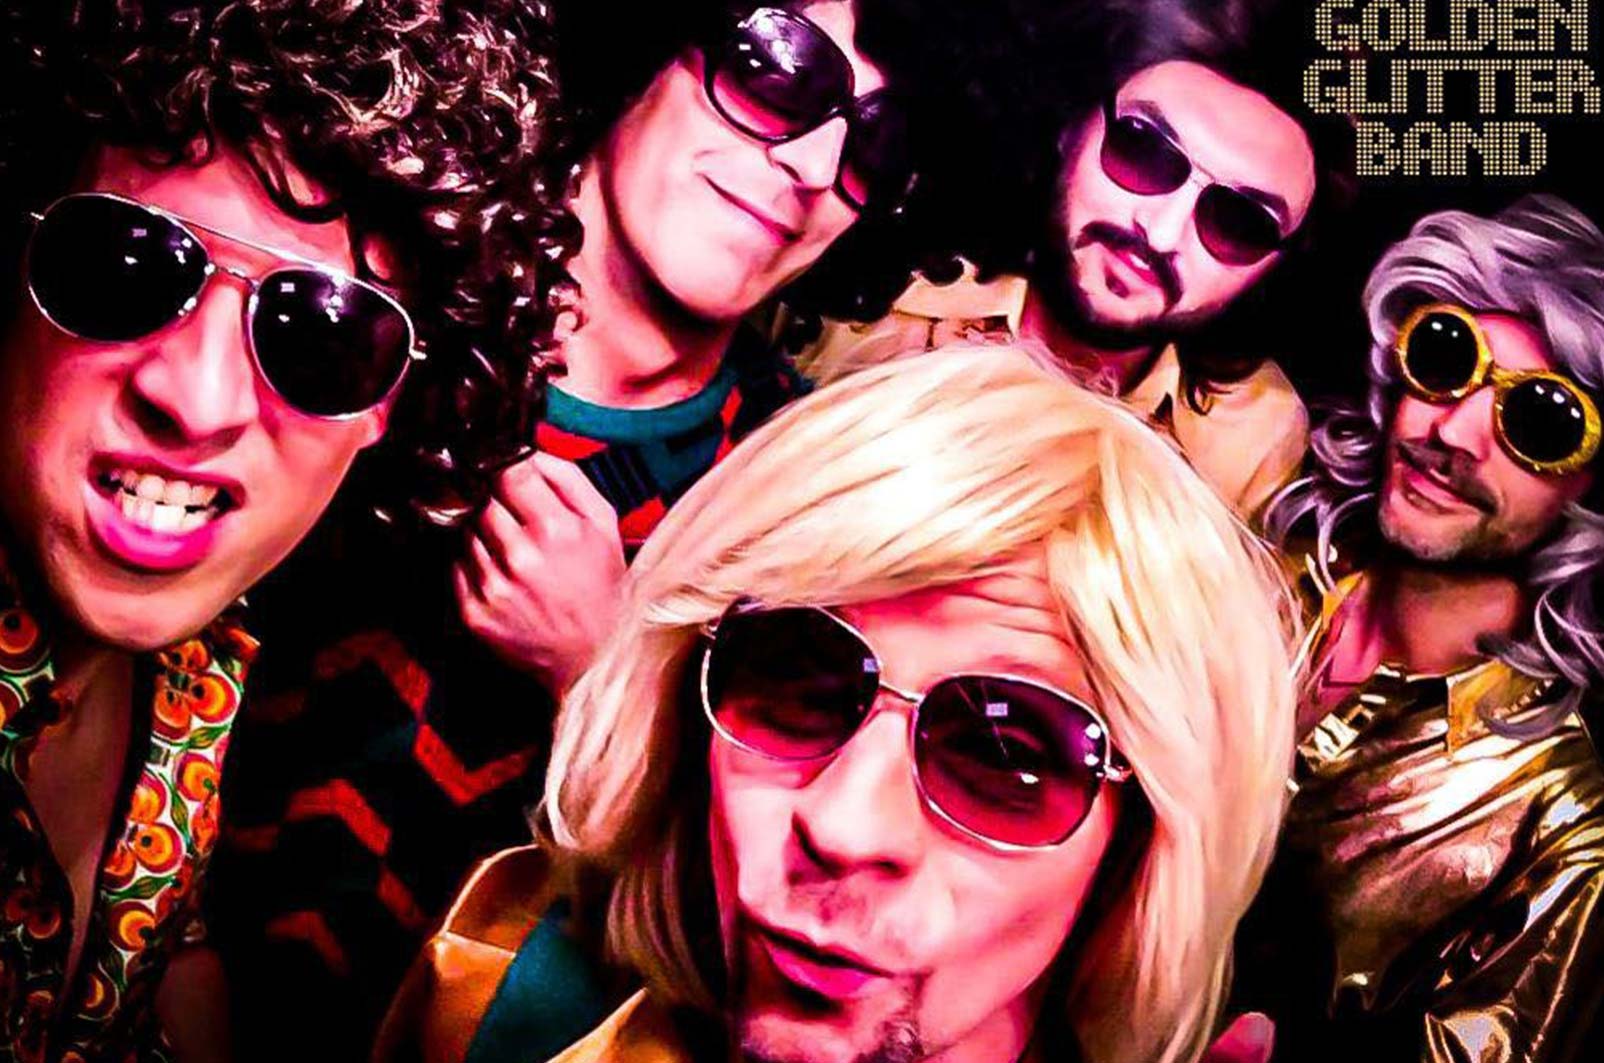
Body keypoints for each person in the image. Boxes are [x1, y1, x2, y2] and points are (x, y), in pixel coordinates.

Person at [211, 1, 955, 1055]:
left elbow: (768, 928)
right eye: (777, 69)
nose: (813, 165)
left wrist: (605, 672)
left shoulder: (805, 501)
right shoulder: (362, 286)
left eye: (874, 145)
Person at [377, 345, 1301, 1063]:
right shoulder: (497, 994)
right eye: (795, 685)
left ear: (1143, 845)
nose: (843, 824)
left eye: (1002, 758)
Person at [0, 0, 566, 1059]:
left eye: (323, 335)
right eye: (124, 264)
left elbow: (168, 946)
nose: (199, 399)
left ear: (387, 408)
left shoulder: (203, 668)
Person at [1240, 196, 1604, 1061]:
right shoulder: (1254, 569)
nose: (1451, 432)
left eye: (1540, 420)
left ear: (1591, 487)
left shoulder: (1561, 829)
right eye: (1446, 357)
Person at [802, 0, 1353, 521]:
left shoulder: (1252, 441)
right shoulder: (863, 293)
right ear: (1073, 127)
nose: (1161, 233)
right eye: (1143, 149)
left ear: (1273, 268)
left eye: (1240, 223)